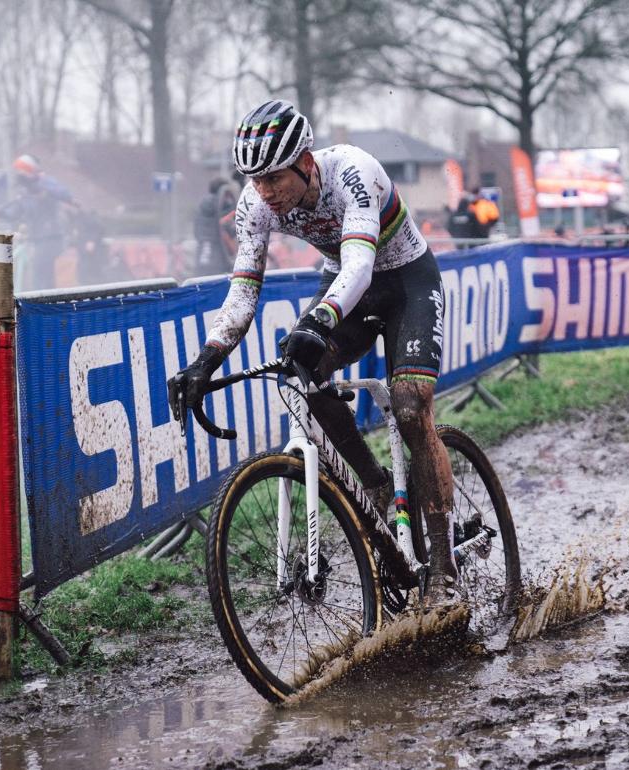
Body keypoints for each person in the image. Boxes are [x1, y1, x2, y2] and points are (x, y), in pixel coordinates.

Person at [166, 99, 460, 604]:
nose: (265, 192)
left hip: (404, 281)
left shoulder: (354, 172)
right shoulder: (255, 205)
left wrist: (321, 320)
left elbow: (361, 264)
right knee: (299, 373)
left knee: (411, 408)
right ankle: (375, 484)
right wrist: (206, 358)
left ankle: (443, 565)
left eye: (274, 178)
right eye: (254, 180)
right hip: (346, 282)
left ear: (304, 161)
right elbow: (243, 291)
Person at [0, 154, 75, 291]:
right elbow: (15, 213)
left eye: (23, 171)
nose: (21, 175)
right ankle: (44, 299)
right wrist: (1, 213)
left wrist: (42, 188)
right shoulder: (25, 191)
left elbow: (65, 194)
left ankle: (44, 301)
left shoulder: (45, 181)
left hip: (51, 236)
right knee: (39, 272)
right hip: (36, 238)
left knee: (41, 271)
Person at [194, 178, 236, 275]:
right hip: (218, 255)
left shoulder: (203, 204)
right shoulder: (222, 205)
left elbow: (197, 230)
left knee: (203, 278)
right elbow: (227, 227)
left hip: (203, 252)